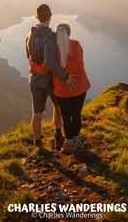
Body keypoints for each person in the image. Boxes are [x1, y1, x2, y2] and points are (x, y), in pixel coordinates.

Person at [30, 22, 90, 154]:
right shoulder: (77, 46)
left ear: (57, 35)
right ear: (69, 33)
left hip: (63, 92)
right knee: (76, 115)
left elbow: (46, 67)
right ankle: (76, 140)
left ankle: (69, 142)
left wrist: (33, 64)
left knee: (66, 116)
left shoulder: (54, 52)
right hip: (80, 88)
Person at [26, 4, 78, 149]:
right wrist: (65, 76)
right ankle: (58, 137)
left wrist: (37, 69)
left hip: (34, 79)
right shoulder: (50, 36)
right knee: (57, 107)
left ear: (37, 17)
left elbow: (29, 57)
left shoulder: (29, 35)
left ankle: (38, 145)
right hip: (49, 80)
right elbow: (50, 60)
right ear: (50, 16)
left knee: (36, 113)